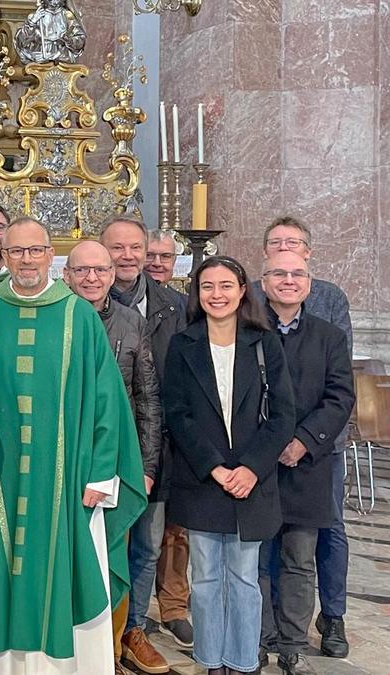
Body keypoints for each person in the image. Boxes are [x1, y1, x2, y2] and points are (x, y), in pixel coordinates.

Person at [0, 217, 146, 673]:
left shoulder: (79, 315)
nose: (26, 260)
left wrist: (101, 472)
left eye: (36, 250)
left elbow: (107, 401)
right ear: (3, 256)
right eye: (17, 251)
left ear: (50, 255)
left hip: (67, 475)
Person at [162, 256, 295, 675]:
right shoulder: (183, 345)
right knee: (203, 578)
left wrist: (251, 468)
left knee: (242, 577)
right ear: (197, 295)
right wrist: (215, 467)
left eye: (225, 286)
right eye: (207, 287)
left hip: (252, 481)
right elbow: (177, 414)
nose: (216, 295)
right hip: (204, 479)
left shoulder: (265, 343)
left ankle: (241, 661)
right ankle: (210, 660)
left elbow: (282, 416)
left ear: (242, 292)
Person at [255, 216, 353, 659]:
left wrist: (304, 440)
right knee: (256, 561)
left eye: (296, 274)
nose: (288, 281)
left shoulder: (329, 335)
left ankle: (293, 645)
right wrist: (268, 444)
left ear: (309, 283)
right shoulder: (247, 331)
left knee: (299, 560)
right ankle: (258, 639)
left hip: (309, 462)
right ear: (264, 280)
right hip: (257, 465)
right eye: (279, 273)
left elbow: (339, 395)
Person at [64, 241, 164, 674]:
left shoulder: (131, 322)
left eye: (99, 270)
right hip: (64, 460)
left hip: (116, 459)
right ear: (66, 274)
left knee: (114, 556)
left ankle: (109, 650)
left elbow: (147, 399)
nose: (91, 278)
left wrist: (145, 467)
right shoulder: (56, 315)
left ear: (111, 274)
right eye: (81, 270)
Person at [100, 215, 193, 657]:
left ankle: (133, 629)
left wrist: (153, 460)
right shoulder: (84, 303)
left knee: (148, 545)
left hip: (154, 445)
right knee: (105, 544)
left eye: (135, 247)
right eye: (117, 247)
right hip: (100, 450)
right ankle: (100, 633)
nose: (128, 256)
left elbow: (162, 390)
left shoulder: (175, 305)